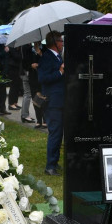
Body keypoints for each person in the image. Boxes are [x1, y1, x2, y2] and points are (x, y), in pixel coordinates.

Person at [39, 30, 65, 176]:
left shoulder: (56, 57)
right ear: (55, 42)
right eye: (60, 41)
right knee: (55, 133)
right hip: (52, 102)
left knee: (58, 132)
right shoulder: (47, 58)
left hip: (59, 101)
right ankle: (50, 166)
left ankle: (54, 162)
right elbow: (43, 78)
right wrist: (60, 72)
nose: (62, 43)